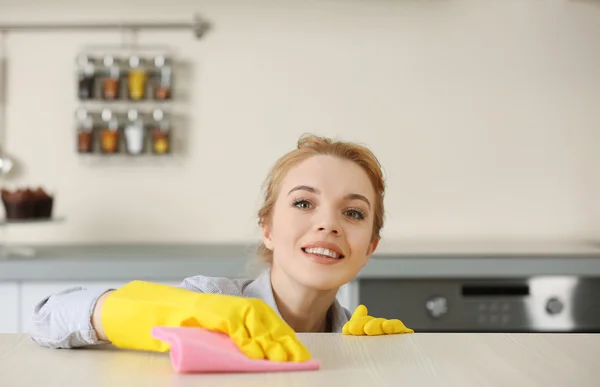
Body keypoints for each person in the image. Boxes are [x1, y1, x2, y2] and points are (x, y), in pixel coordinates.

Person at [26, 134, 412, 363]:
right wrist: (162, 311)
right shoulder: (210, 302)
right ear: (268, 228)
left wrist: (381, 367)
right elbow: (45, 318)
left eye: (353, 212)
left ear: (371, 246)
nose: (329, 224)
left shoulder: (357, 339)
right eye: (303, 203)